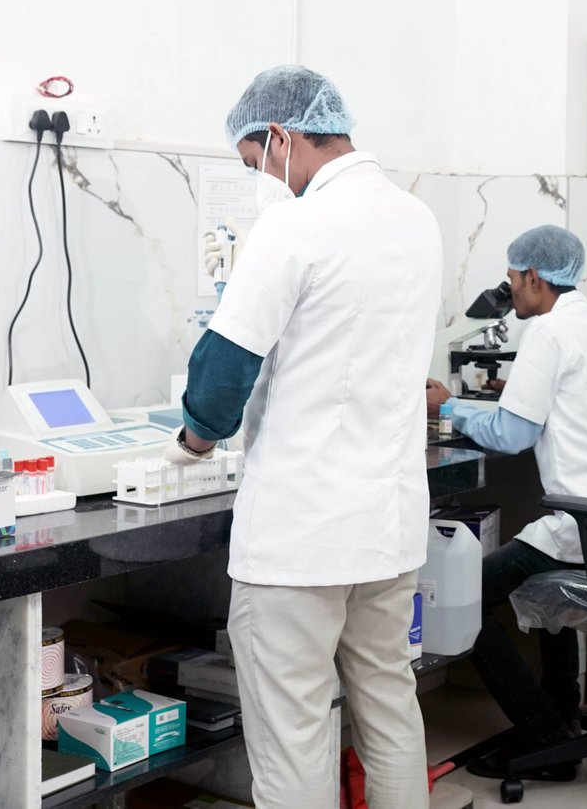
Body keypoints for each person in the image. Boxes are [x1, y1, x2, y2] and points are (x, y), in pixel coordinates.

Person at [177, 65, 442, 809]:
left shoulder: (293, 225)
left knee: (295, 741)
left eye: (255, 161)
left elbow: (222, 373)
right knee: (391, 716)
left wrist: (193, 439)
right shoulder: (415, 218)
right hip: (387, 531)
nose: (262, 177)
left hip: (298, 541)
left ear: (281, 137)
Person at [424, 225, 587, 780]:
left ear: (534, 278)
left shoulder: (548, 334)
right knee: (548, 600)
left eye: (512, 281)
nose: (510, 292)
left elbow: (512, 436)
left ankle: (546, 739)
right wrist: (503, 397)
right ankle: (559, 725)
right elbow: (582, 407)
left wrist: (449, 407)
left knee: (466, 597)